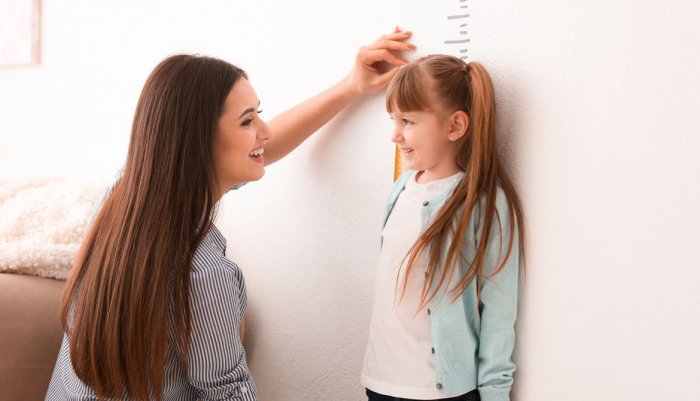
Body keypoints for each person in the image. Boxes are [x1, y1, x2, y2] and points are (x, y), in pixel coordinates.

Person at [45, 29, 415, 401]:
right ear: (198, 143)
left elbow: (259, 148)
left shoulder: (122, 195)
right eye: (247, 121)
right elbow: (227, 394)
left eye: (259, 115)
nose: (264, 131)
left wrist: (349, 87)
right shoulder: (205, 274)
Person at [360, 55, 524, 401]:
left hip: (440, 391)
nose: (394, 135)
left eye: (407, 121)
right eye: (393, 120)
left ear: (455, 126)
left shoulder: (483, 202)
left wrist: (495, 393)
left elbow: (498, 309)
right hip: (380, 382)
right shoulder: (400, 189)